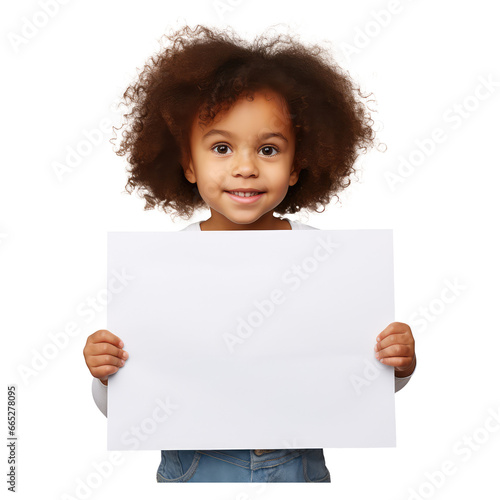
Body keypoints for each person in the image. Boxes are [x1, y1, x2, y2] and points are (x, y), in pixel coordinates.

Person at [83, 24, 417, 483]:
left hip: (296, 465)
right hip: (196, 468)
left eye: (268, 149)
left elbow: (354, 380)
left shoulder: (327, 261)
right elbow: (131, 403)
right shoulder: (162, 267)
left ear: (299, 164)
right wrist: (106, 375)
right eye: (221, 147)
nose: (245, 167)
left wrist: (397, 364)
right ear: (187, 163)